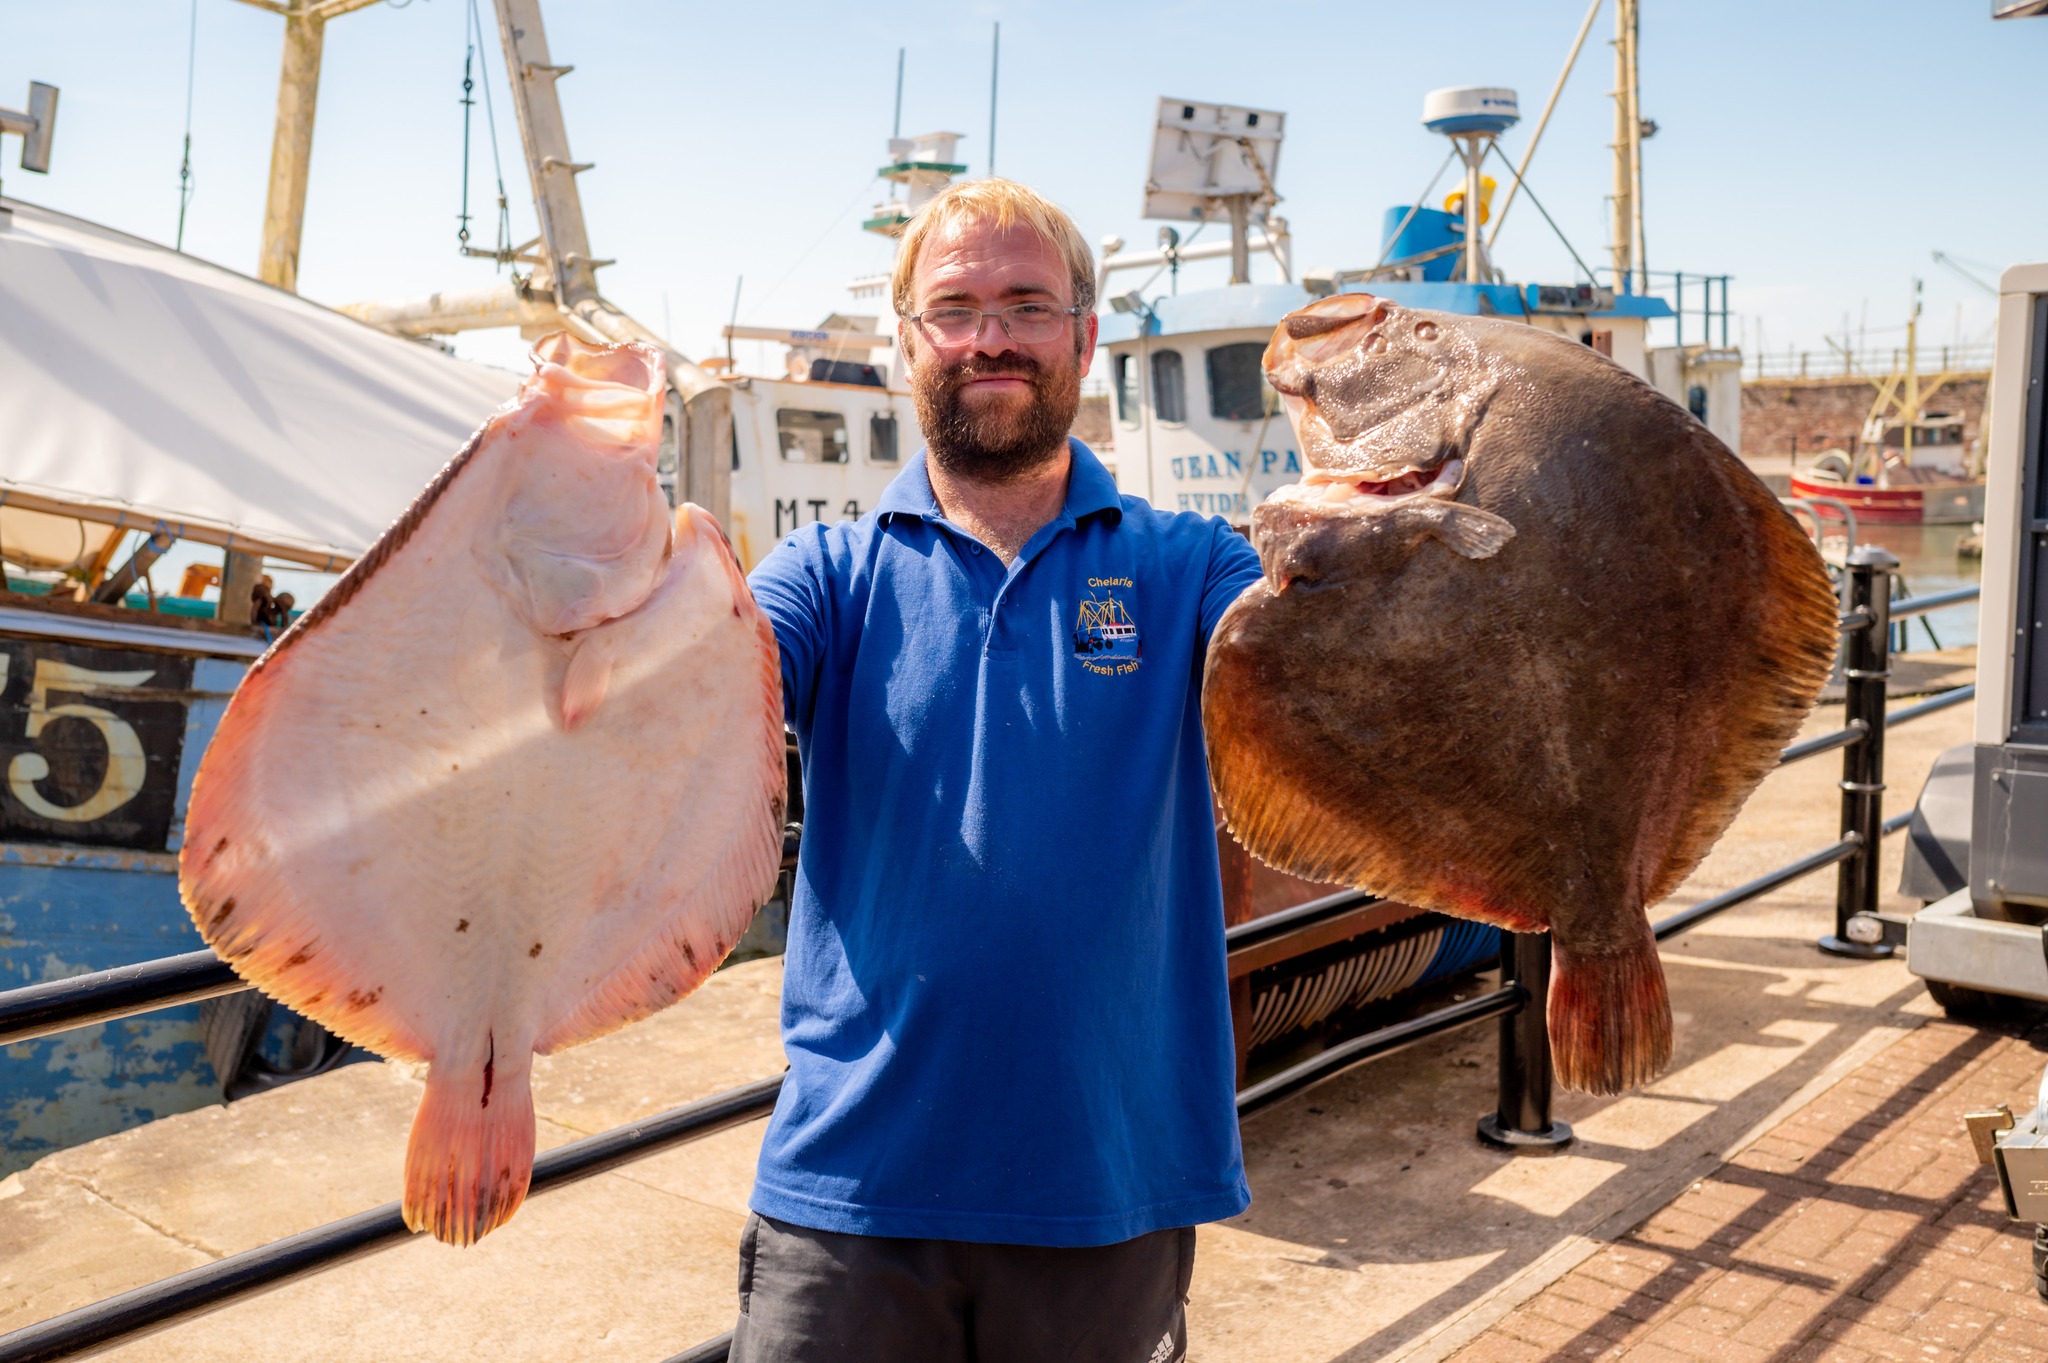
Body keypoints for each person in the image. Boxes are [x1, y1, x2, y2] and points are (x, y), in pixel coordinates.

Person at [734, 177, 1263, 1363]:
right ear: (908, 342)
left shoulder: (1191, 566)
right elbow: (686, 697)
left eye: (1026, 304)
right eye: (955, 307)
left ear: (1083, 335)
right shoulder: (823, 573)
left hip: (1104, 1183)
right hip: (850, 1192)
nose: (989, 337)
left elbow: (1350, 669)